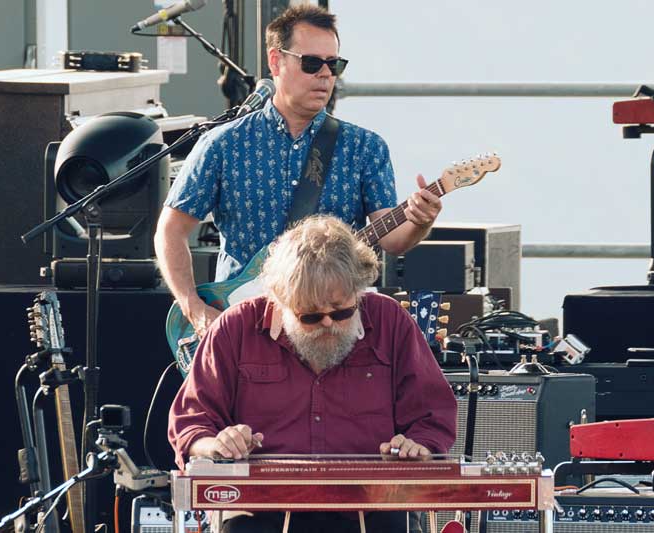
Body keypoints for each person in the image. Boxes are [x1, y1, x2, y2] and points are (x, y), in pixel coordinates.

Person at [155, 4, 442, 339]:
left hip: (331, 328)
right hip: (244, 326)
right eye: (312, 63)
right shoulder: (223, 144)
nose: (325, 74)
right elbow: (170, 231)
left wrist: (421, 221)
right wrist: (194, 308)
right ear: (276, 61)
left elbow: (393, 240)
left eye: (334, 65)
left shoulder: (365, 147)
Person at [168, 215, 457, 533]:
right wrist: (218, 444)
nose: (329, 324)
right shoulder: (235, 328)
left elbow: (433, 414)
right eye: (310, 316)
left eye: (342, 312)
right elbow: (191, 423)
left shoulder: (391, 321)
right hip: (260, 506)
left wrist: (419, 446)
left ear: (359, 292)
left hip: (372, 503)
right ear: (279, 302)